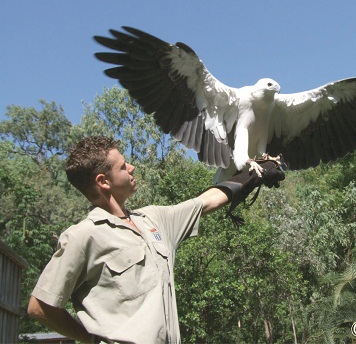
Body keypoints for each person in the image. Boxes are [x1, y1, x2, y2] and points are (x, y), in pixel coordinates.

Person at [27, 136, 284, 344]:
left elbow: (206, 202)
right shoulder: (83, 235)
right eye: (123, 166)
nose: (132, 167)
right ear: (103, 181)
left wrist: (255, 173)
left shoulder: (153, 219)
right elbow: (40, 306)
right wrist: (90, 338)